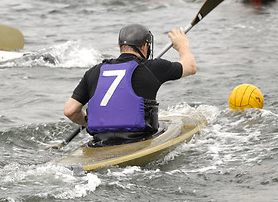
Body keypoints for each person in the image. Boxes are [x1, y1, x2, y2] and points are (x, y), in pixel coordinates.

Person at [63, 24, 196, 147]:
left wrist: (91, 121)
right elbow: (190, 67)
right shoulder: (153, 67)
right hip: (139, 139)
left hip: (101, 141)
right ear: (145, 46)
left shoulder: (94, 72)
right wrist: (182, 45)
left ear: (120, 47)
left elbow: (70, 110)